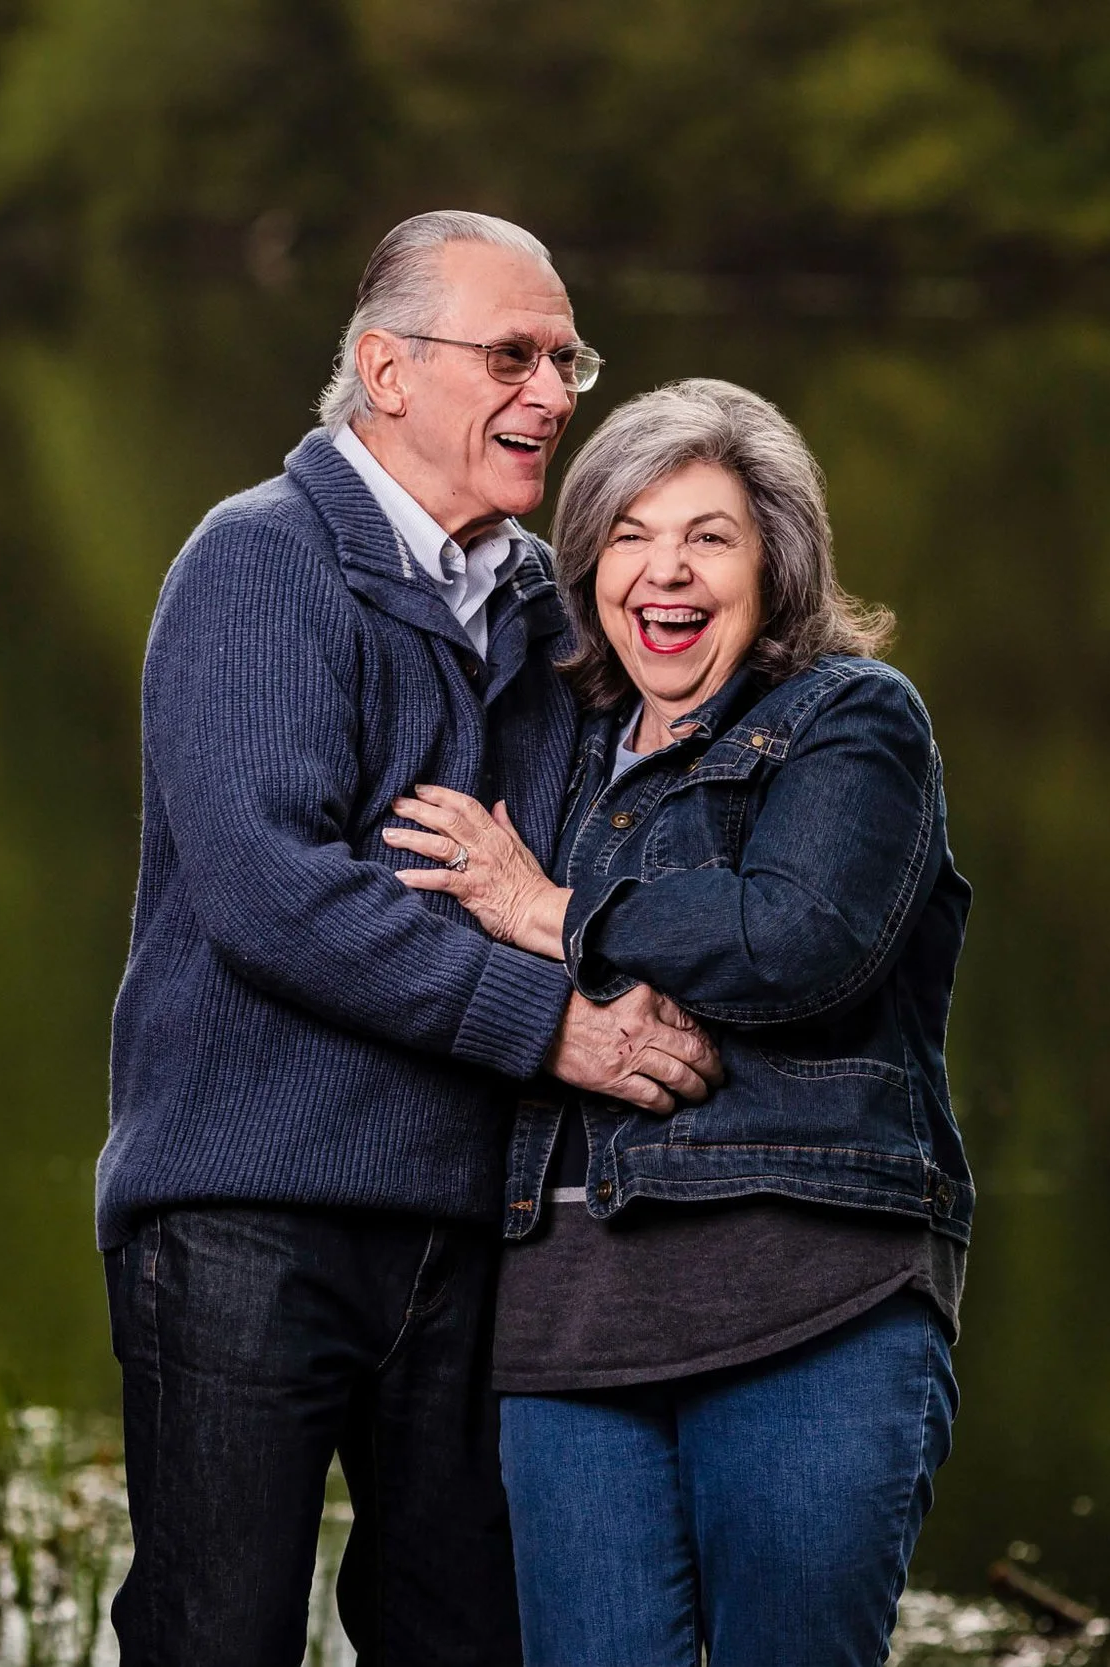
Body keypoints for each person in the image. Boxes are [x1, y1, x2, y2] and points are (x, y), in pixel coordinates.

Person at [97, 212, 723, 1666]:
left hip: (474, 1227)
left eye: (566, 359)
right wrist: (554, 1026)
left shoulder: (547, 607)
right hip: (247, 1213)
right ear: (385, 370)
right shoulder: (259, 560)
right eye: (512, 356)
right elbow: (275, 894)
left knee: (463, 1639)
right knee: (216, 1637)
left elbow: (615, 851)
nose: (554, 392)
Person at [384, 378, 973, 1667]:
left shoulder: (850, 718)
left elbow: (795, 944)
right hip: (569, 1333)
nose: (667, 571)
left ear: (775, 565)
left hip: (811, 1299)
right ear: (591, 570)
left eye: (711, 536)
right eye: (631, 536)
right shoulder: (555, 750)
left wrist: (551, 912)